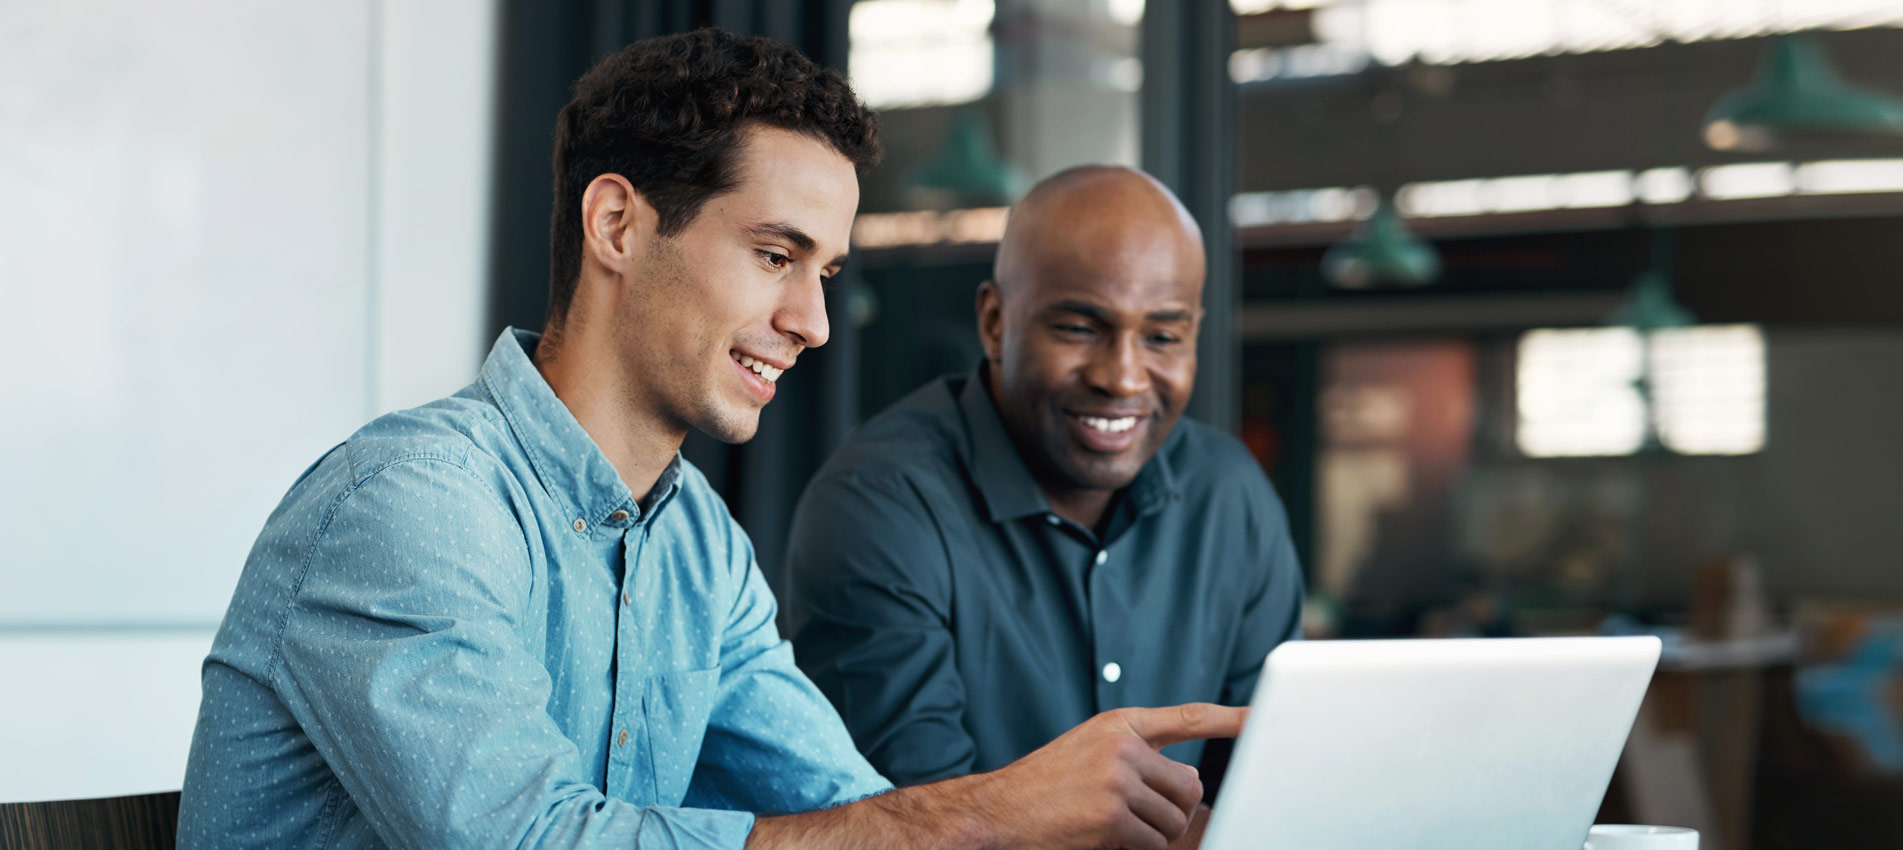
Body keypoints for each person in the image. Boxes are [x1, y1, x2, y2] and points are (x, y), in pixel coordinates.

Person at [178, 29, 1237, 850]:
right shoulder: (410, 502)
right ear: (618, 227)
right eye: (775, 254)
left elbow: (848, 817)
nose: (814, 323)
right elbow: (531, 840)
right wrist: (987, 813)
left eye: (823, 272)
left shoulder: (699, 548)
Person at [785, 166, 1305, 813]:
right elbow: (917, 821)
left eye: (1162, 336)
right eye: (1079, 329)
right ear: (996, 322)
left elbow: (1273, 788)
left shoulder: (1228, 495)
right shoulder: (878, 502)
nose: (1121, 377)